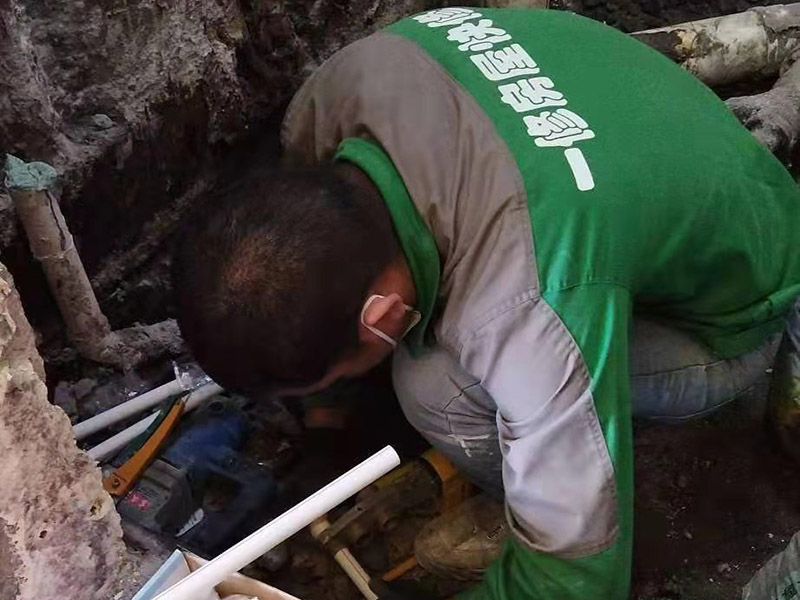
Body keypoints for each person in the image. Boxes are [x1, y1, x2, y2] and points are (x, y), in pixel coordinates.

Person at [172, 7, 800, 599]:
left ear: (382, 315)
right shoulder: (340, 89)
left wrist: (547, 547)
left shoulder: (528, 299)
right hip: (658, 145)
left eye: (325, 380)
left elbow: (575, 579)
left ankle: (525, 505)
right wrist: (327, 434)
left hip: (738, 311)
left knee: (434, 386)